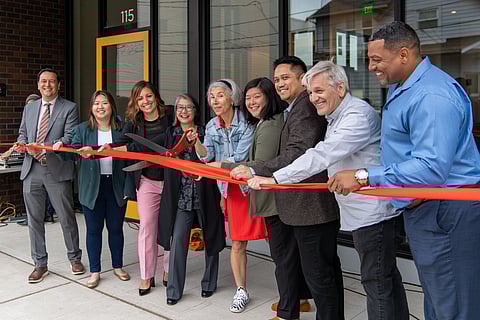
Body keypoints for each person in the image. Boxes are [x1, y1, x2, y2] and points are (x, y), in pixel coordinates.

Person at [329, 21, 480, 320]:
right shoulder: (406, 88)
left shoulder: (431, 96)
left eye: (376, 59)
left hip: (445, 211)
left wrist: (363, 176)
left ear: (403, 54)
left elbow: (431, 167)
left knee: (454, 303)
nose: (371, 67)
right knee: (438, 297)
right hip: (426, 209)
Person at [249, 61, 409, 319]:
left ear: (341, 88)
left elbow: (320, 155)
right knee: (385, 280)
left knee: (377, 284)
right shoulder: (335, 116)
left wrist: (275, 179)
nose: (314, 98)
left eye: (320, 91)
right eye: (311, 92)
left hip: (374, 216)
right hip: (360, 214)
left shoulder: (356, 116)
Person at [231, 56, 343, 320]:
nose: (280, 84)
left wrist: (255, 169)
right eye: (277, 78)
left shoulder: (304, 106)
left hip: (311, 207)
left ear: (302, 79)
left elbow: (297, 153)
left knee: (320, 276)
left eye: (286, 78)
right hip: (300, 207)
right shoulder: (295, 108)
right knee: (319, 272)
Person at [216, 77, 312, 317]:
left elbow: (262, 164)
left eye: (257, 96)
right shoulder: (265, 122)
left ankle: (287, 311)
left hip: (275, 201)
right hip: (276, 199)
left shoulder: (270, 125)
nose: (251, 102)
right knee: (288, 255)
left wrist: (223, 165)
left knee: (283, 258)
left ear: (269, 97)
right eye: (248, 98)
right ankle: (298, 300)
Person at [193, 78, 260, 313]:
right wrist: (197, 144)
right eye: (212, 97)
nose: (215, 100)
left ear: (233, 98)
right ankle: (241, 290)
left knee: (275, 238)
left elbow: (237, 161)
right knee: (238, 242)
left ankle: (292, 290)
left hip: (254, 186)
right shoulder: (211, 125)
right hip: (230, 190)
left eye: (220, 95)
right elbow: (206, 156)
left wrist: (206, 169)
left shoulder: (248, 123)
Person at [13, 68, 84, 283]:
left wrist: (45, 148)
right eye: (43, 82)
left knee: (66, 217)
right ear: (38, 85)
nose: (47, 85)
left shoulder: (69, 108)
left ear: (58, 85)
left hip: (57, 169)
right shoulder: (30, 108)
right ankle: (40, 263)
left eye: (51, 82)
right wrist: (22, 144)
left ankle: (74, 258)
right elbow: (23, 132)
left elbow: (69, 136)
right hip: (31, 169)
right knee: (34, 219)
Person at [157, 93, 225, 305]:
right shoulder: (171, 133)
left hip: (205, 193)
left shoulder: (207, 131)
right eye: (179, 108)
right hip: (181, 197)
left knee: (211, 237)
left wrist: (196, 142)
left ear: (195, 111)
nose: (183, 111)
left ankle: (209, 283)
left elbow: (209, 157)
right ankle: (174, 290)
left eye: (188, 107)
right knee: (177, 241)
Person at [61, 90, 130, 288]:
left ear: (112, 107)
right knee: (93, 230)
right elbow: (70, 154)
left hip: (115, 185)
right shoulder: (82, 130)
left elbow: (130, 152)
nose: (100, 106)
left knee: (116, 229)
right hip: (92, 187)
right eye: (96, 103)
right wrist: (65, 148)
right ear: (91, 108)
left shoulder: (121, 129)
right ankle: (95, 271)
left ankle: (118, 266)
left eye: (105, 103)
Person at [115, 80, 172, 296]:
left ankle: (168, 270)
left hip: (170, 180)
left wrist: (136, 146)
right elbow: (120, 145)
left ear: (156, 97)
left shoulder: (171, 117)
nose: (145, 101)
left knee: (170, 225)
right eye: (140, 98)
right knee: (147, 227)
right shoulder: (133, 122)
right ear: (135, 103)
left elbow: (173, 140)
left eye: (148, 96)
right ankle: (147, 275)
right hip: (147, 180)